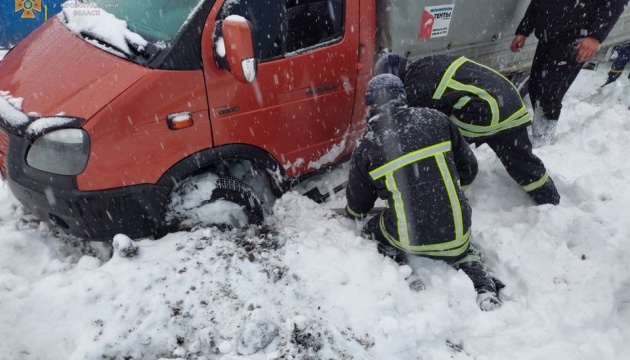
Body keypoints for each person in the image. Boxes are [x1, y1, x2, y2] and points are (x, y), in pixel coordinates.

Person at [345, 74, 504, 311]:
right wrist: (448, 189)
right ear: (402, 97)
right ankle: (481, 282)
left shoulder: (367, 145)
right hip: (458, 227)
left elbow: (359, 206)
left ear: (370, 105)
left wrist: (353, 209)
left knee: (372, 230)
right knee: (461, 249)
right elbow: (469, 168)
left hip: (410, 237)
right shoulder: (435, 119)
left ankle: (401, 266)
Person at [374, 52, 561, 206]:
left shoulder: (416, 86)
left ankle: (444, 191)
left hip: (484, 111)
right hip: (510, 102)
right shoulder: (428, 62)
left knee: (433, 145)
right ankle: (550, 199)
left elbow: (407, 127)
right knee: (521, 160)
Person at [510, 0, 628, 145]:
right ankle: (540, 133)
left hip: (575, 40)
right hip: (548, 35)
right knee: (535, 88)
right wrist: (523, 30)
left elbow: (615, 3)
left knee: (549, 93)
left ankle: (542, 141)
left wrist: (595, 36)